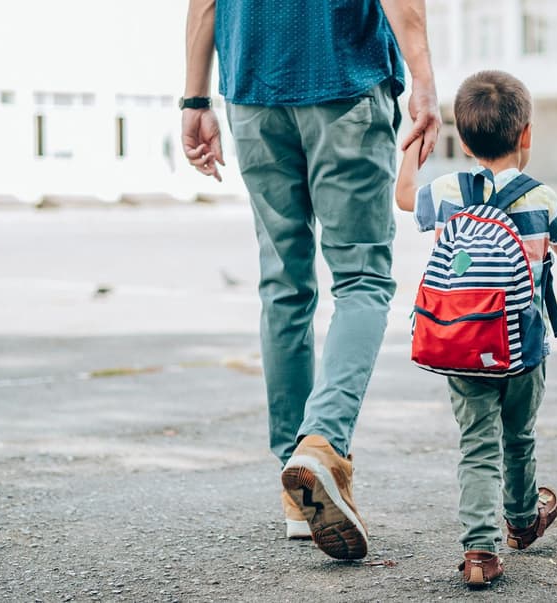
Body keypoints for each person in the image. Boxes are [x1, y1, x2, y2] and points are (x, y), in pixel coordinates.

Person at [181, 0, 440, 561]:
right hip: (342, 78)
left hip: (252, 89)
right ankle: (320, 443)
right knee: (363, 279)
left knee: (283, 286)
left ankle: (298, 496)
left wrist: (195, 98)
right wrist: (423, 80)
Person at [395, 70, 557, 587]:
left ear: (466, 140)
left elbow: (404, 196)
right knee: (518, 436)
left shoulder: (449, 191)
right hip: (525, 349)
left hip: (463, 343)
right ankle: (521, 522)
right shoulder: (541, 198)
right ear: (526, 135)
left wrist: (415, 141)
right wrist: (555, 247)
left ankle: (480, 552)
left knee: (477, 444)